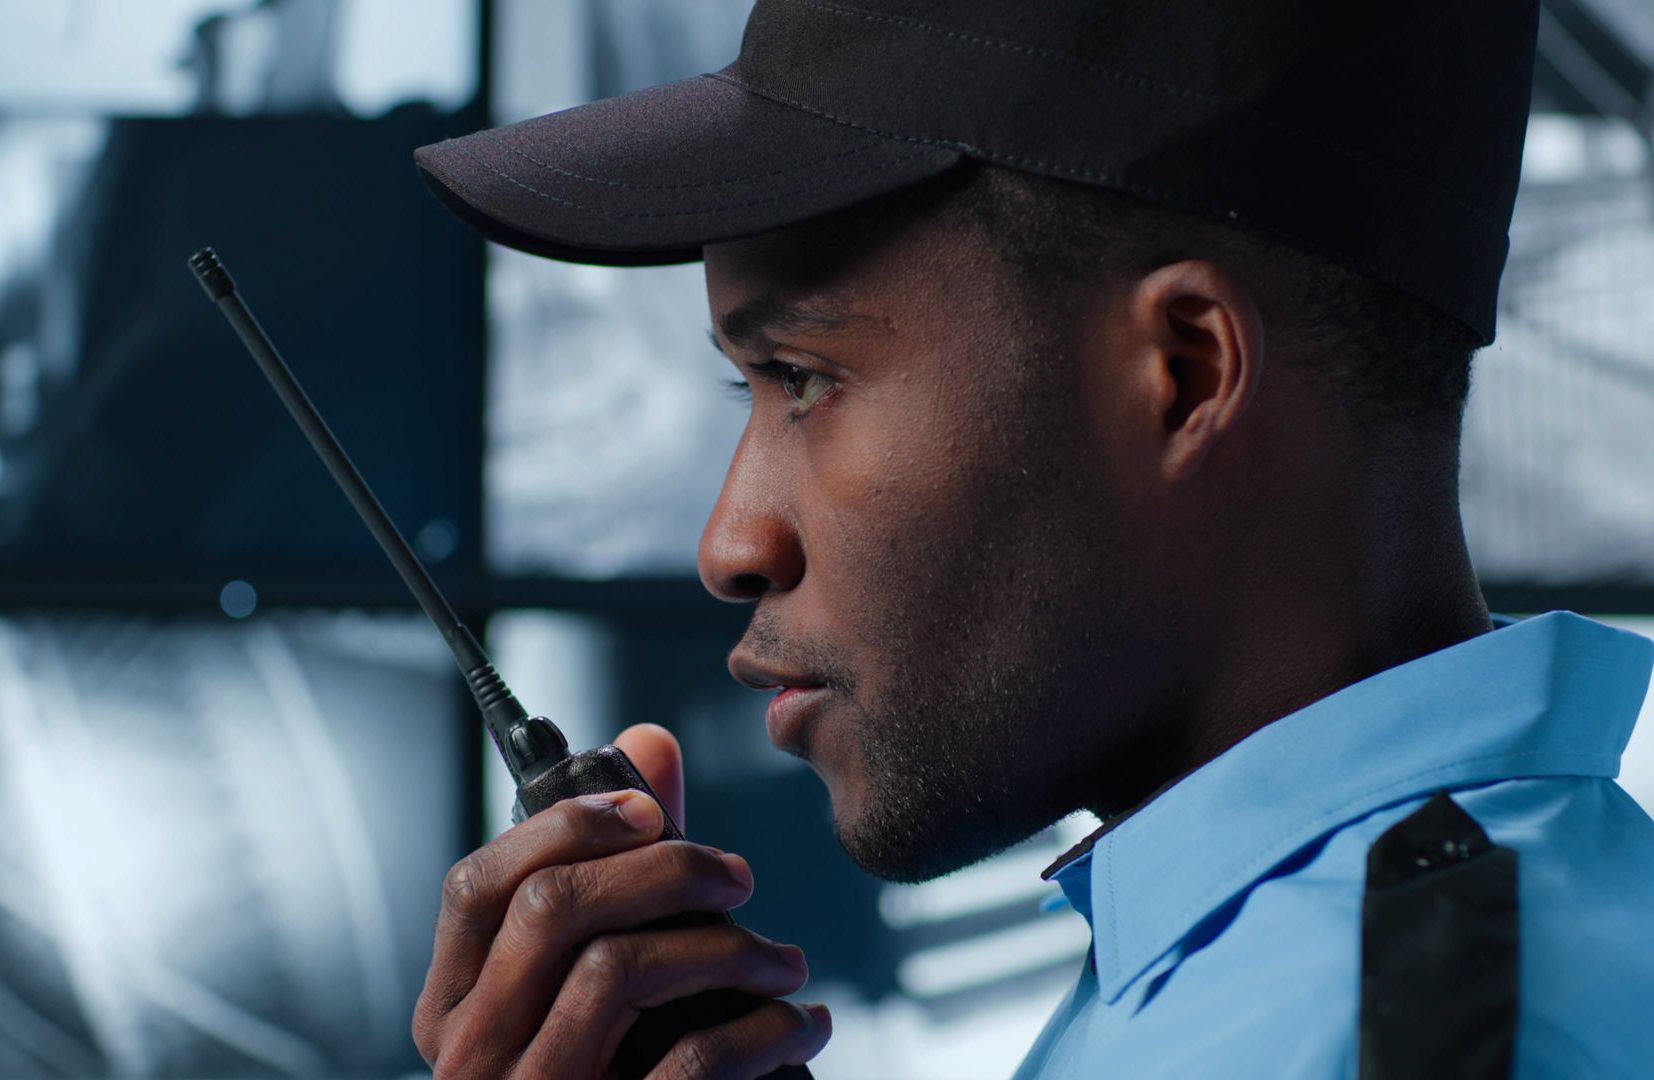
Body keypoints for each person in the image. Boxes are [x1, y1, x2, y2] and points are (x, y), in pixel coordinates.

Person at [408, 1, 1654, 1076]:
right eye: (752, 390)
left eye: (804, 377)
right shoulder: (1286, 971)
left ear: (1181, 371)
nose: (731, 543)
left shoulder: (1411, 1026)